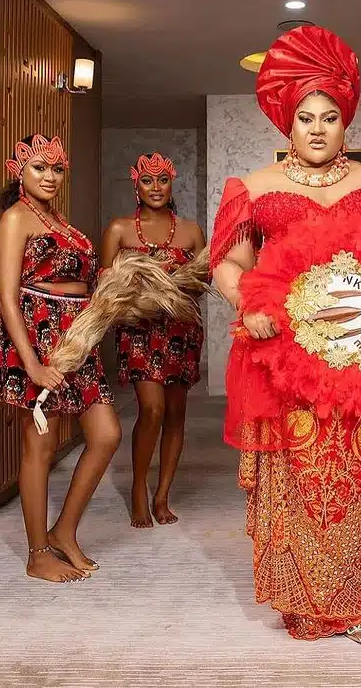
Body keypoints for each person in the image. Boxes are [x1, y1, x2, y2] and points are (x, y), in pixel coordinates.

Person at [210, 25, 361, 642]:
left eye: (329, 117)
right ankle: (302, 602)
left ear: (345, 122)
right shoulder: (254, 189)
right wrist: (246, 303)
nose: (316, 128)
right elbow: (227, 262)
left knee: (354, 474)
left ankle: (346, 601)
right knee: (297, 475)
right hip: (284, 353)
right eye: (305, 117)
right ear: (287, 123)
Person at [0, 134, 120, 583]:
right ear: (18, 170)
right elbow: (6, 296)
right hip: (37, 338)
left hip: (78, 337)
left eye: (57, 168)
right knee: (39, 445)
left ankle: (64, 531)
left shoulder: (62, 222)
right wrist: (33, 364)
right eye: (40, 167)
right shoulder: (15, 219)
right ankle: (38, 552)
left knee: (106, 435)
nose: (51, 176)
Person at [102, 154, 205, 527]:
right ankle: (138, 487)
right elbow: (105, 288)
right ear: (136, 184)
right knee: (153, 409)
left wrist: (179, 287)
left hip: (181, 329)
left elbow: (202, 282)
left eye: (163, 180)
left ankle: (162, 494)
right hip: (139, 331)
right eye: (148, 181)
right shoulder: (119, 230)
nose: (156, 188)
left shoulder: (192, 232)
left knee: (176, 413)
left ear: (172, 183)